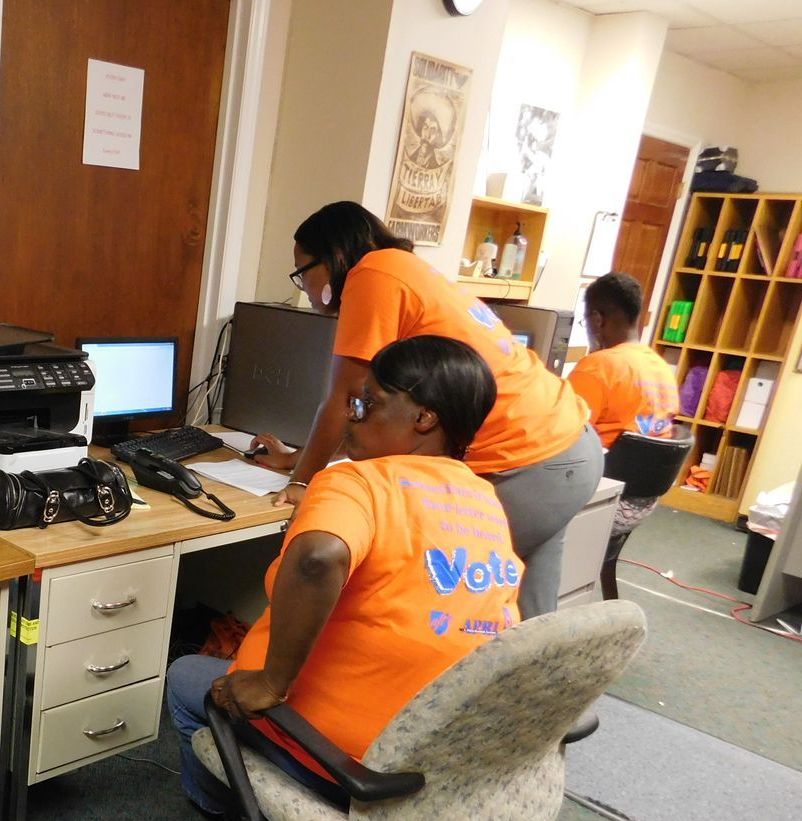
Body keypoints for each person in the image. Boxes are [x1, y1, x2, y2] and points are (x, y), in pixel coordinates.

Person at [169, 336, 520, 817]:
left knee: (186, 677)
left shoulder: (357, 482)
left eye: (368, 403)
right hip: (437, 757)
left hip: (344, 761)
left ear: (424, 418)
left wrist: (270, 683)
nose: (351, 415)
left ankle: (228, 811)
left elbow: (317, 559)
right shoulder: (484, 499)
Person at [253, 200, 601, 619]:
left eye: (302, 271)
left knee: (437, 602)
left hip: (527, 459)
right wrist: (298, 458)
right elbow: (366, 411)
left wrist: (302, 482)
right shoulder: (405, 269)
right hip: (570, 447)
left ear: (334, 256)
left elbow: (346, 399)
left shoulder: (372, 274)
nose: (304, 286)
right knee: (528, 619)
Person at [568, 271, 681, 536]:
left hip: (600, 498)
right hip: (641, 501)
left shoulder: (598, 366)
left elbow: (562, 436)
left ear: (597, 319)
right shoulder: (659, 366)